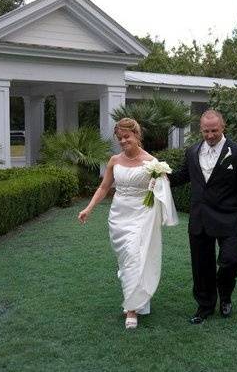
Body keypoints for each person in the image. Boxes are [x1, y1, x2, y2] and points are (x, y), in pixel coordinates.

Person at [78, 118, 177, 329]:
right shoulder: (114, 160)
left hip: (142, 215)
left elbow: (163, 189)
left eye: (127, 137)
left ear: (137, 136)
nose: (123, 141)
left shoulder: (151, 162)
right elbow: (104, 188)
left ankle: (131, 309)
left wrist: (157, 183)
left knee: (135, 256)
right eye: (120, 138)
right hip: (119, 215)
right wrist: (89, 208)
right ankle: (137, 296)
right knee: (127, 261)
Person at [169, 109, 237, 324]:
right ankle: (205, 306)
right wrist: (158, 173)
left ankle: (226, 294)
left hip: (229, 218)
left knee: (229, 260)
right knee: (201, 266)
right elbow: (182, 176)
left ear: (223, 127)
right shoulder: (192, 151)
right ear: (200, 130)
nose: (210, 135)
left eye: (214, 131)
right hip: (200, 217)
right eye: (206, 131)